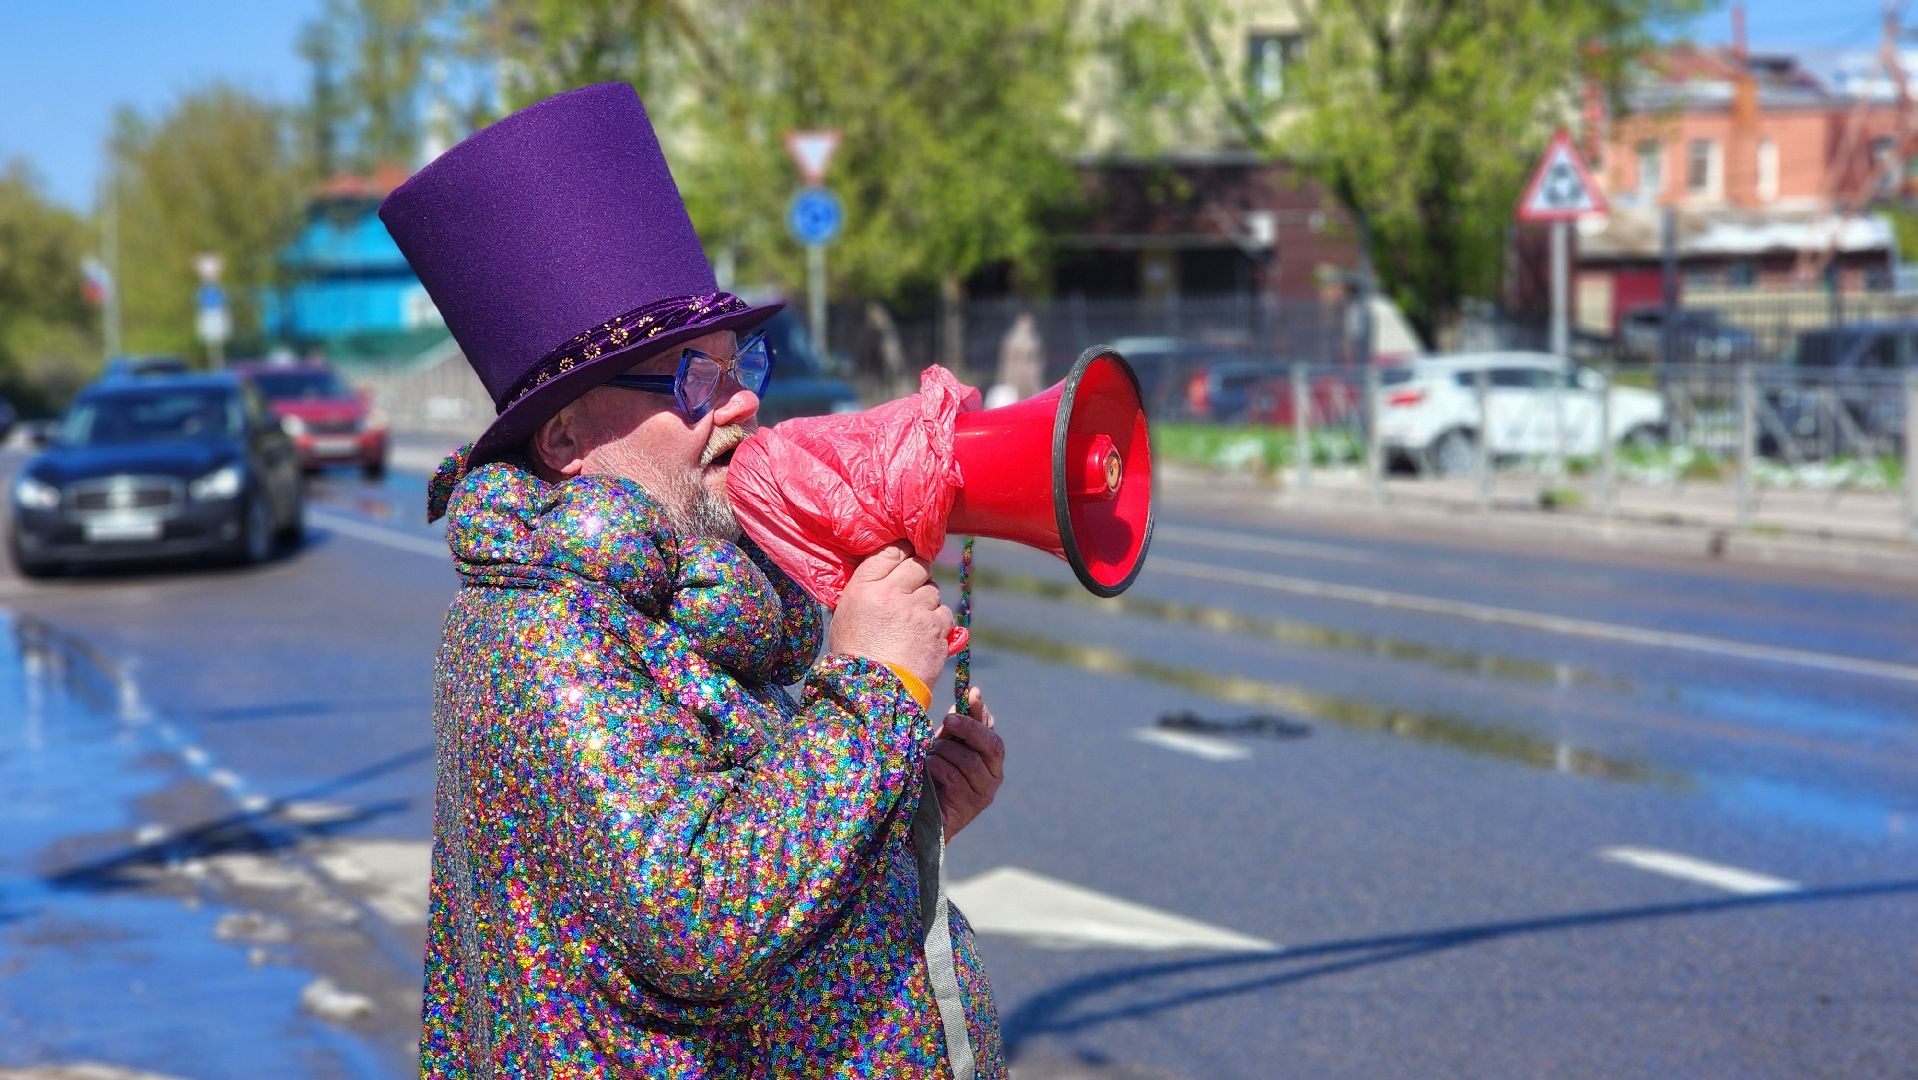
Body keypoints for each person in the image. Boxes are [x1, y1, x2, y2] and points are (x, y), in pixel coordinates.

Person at [381, 84, 1008, 1077]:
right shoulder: (538, 634)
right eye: (691, 380)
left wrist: (903, 808)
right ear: (567, 440)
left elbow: (749, 849)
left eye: (737, 362)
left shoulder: (680, 608)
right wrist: (872, 692)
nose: (743, 400)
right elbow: (698, 922)